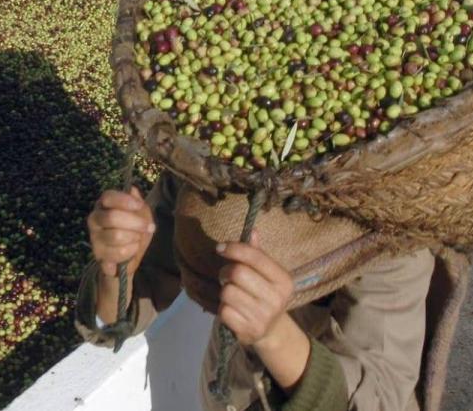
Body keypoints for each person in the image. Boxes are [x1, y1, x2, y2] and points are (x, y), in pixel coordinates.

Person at [75, 171, 435, 411]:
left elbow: (380, 396)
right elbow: (114, 320)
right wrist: (117, 269)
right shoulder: (203, 175)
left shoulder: (393, 237)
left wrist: (274, 335)